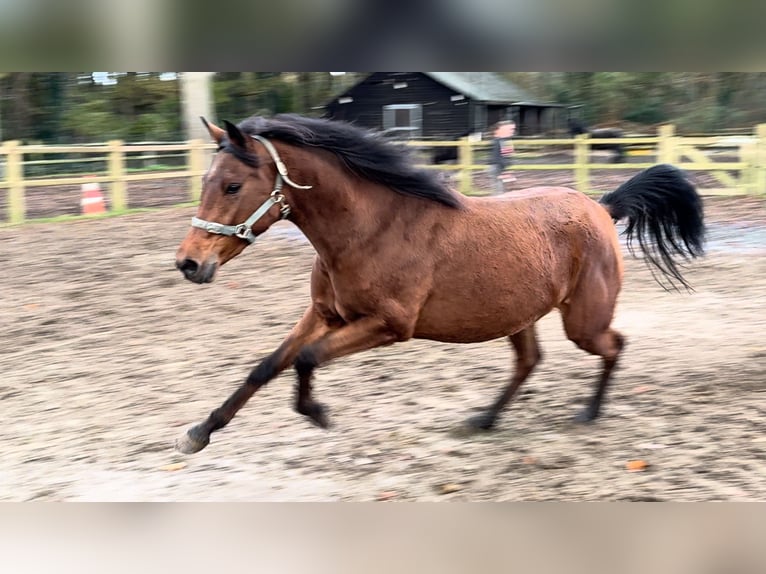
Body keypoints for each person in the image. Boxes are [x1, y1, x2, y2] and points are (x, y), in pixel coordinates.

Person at [490, 120, 516, 194]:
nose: (512, 131)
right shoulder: (499, 141)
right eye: (510, 129)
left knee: (501, 189)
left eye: (513, 129)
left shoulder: (505, 141)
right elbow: (497, 157)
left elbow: (507, 155)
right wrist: (504, 171)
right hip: (497, 167)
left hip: (500, 167)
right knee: (498, 190)